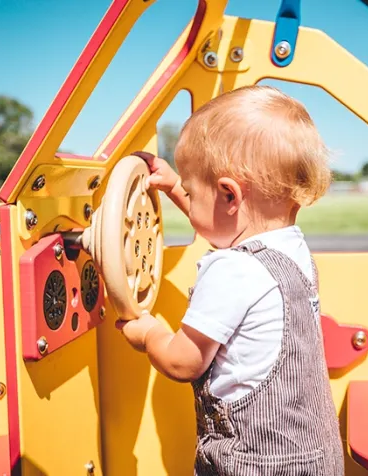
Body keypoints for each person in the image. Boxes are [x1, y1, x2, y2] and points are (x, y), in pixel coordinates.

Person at [116, 85, 344, 475]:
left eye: (191, 191)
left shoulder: (231, 270)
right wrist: (174, 187)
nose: (188, 196)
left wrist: (148, 333)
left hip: (256, 464)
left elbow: (183, 362)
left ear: (228, 194)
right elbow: (226, 226)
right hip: (316, 458)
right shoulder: (292, 252)